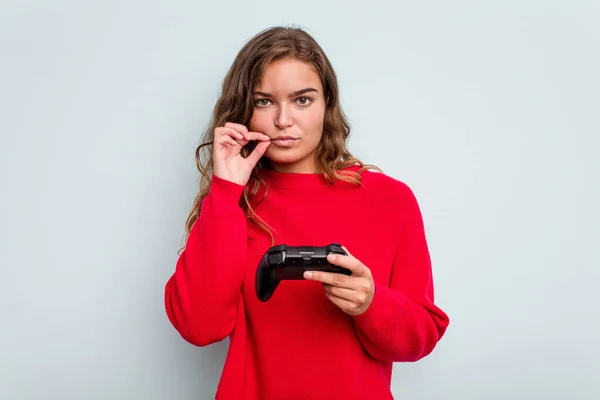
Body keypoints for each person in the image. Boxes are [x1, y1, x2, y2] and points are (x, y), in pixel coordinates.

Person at [164, 26, 450, 400]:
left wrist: (370, 302)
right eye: (264, 101)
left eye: (302, 100)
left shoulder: (390, 200)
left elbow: (420, 337)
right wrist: (225, 191)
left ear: (328, 103)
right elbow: (199, 326)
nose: (283, 120)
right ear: (243, 110)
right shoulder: (231, 204)